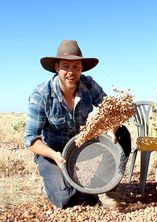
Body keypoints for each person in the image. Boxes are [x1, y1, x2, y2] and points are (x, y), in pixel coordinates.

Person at [24, 40, 131, 209]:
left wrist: (112, 130)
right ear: (57, 67)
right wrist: (55, 156)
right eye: (66, 66)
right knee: (65, 199)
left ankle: (108, 188)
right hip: (54, 153)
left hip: (81, 148)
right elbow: (31, 139)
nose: (71, 72)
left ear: (82, 68)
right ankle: (57, 185)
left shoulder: (88, 85)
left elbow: (113, 111)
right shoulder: (41, 95)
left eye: (76, 67)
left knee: (122, 134)